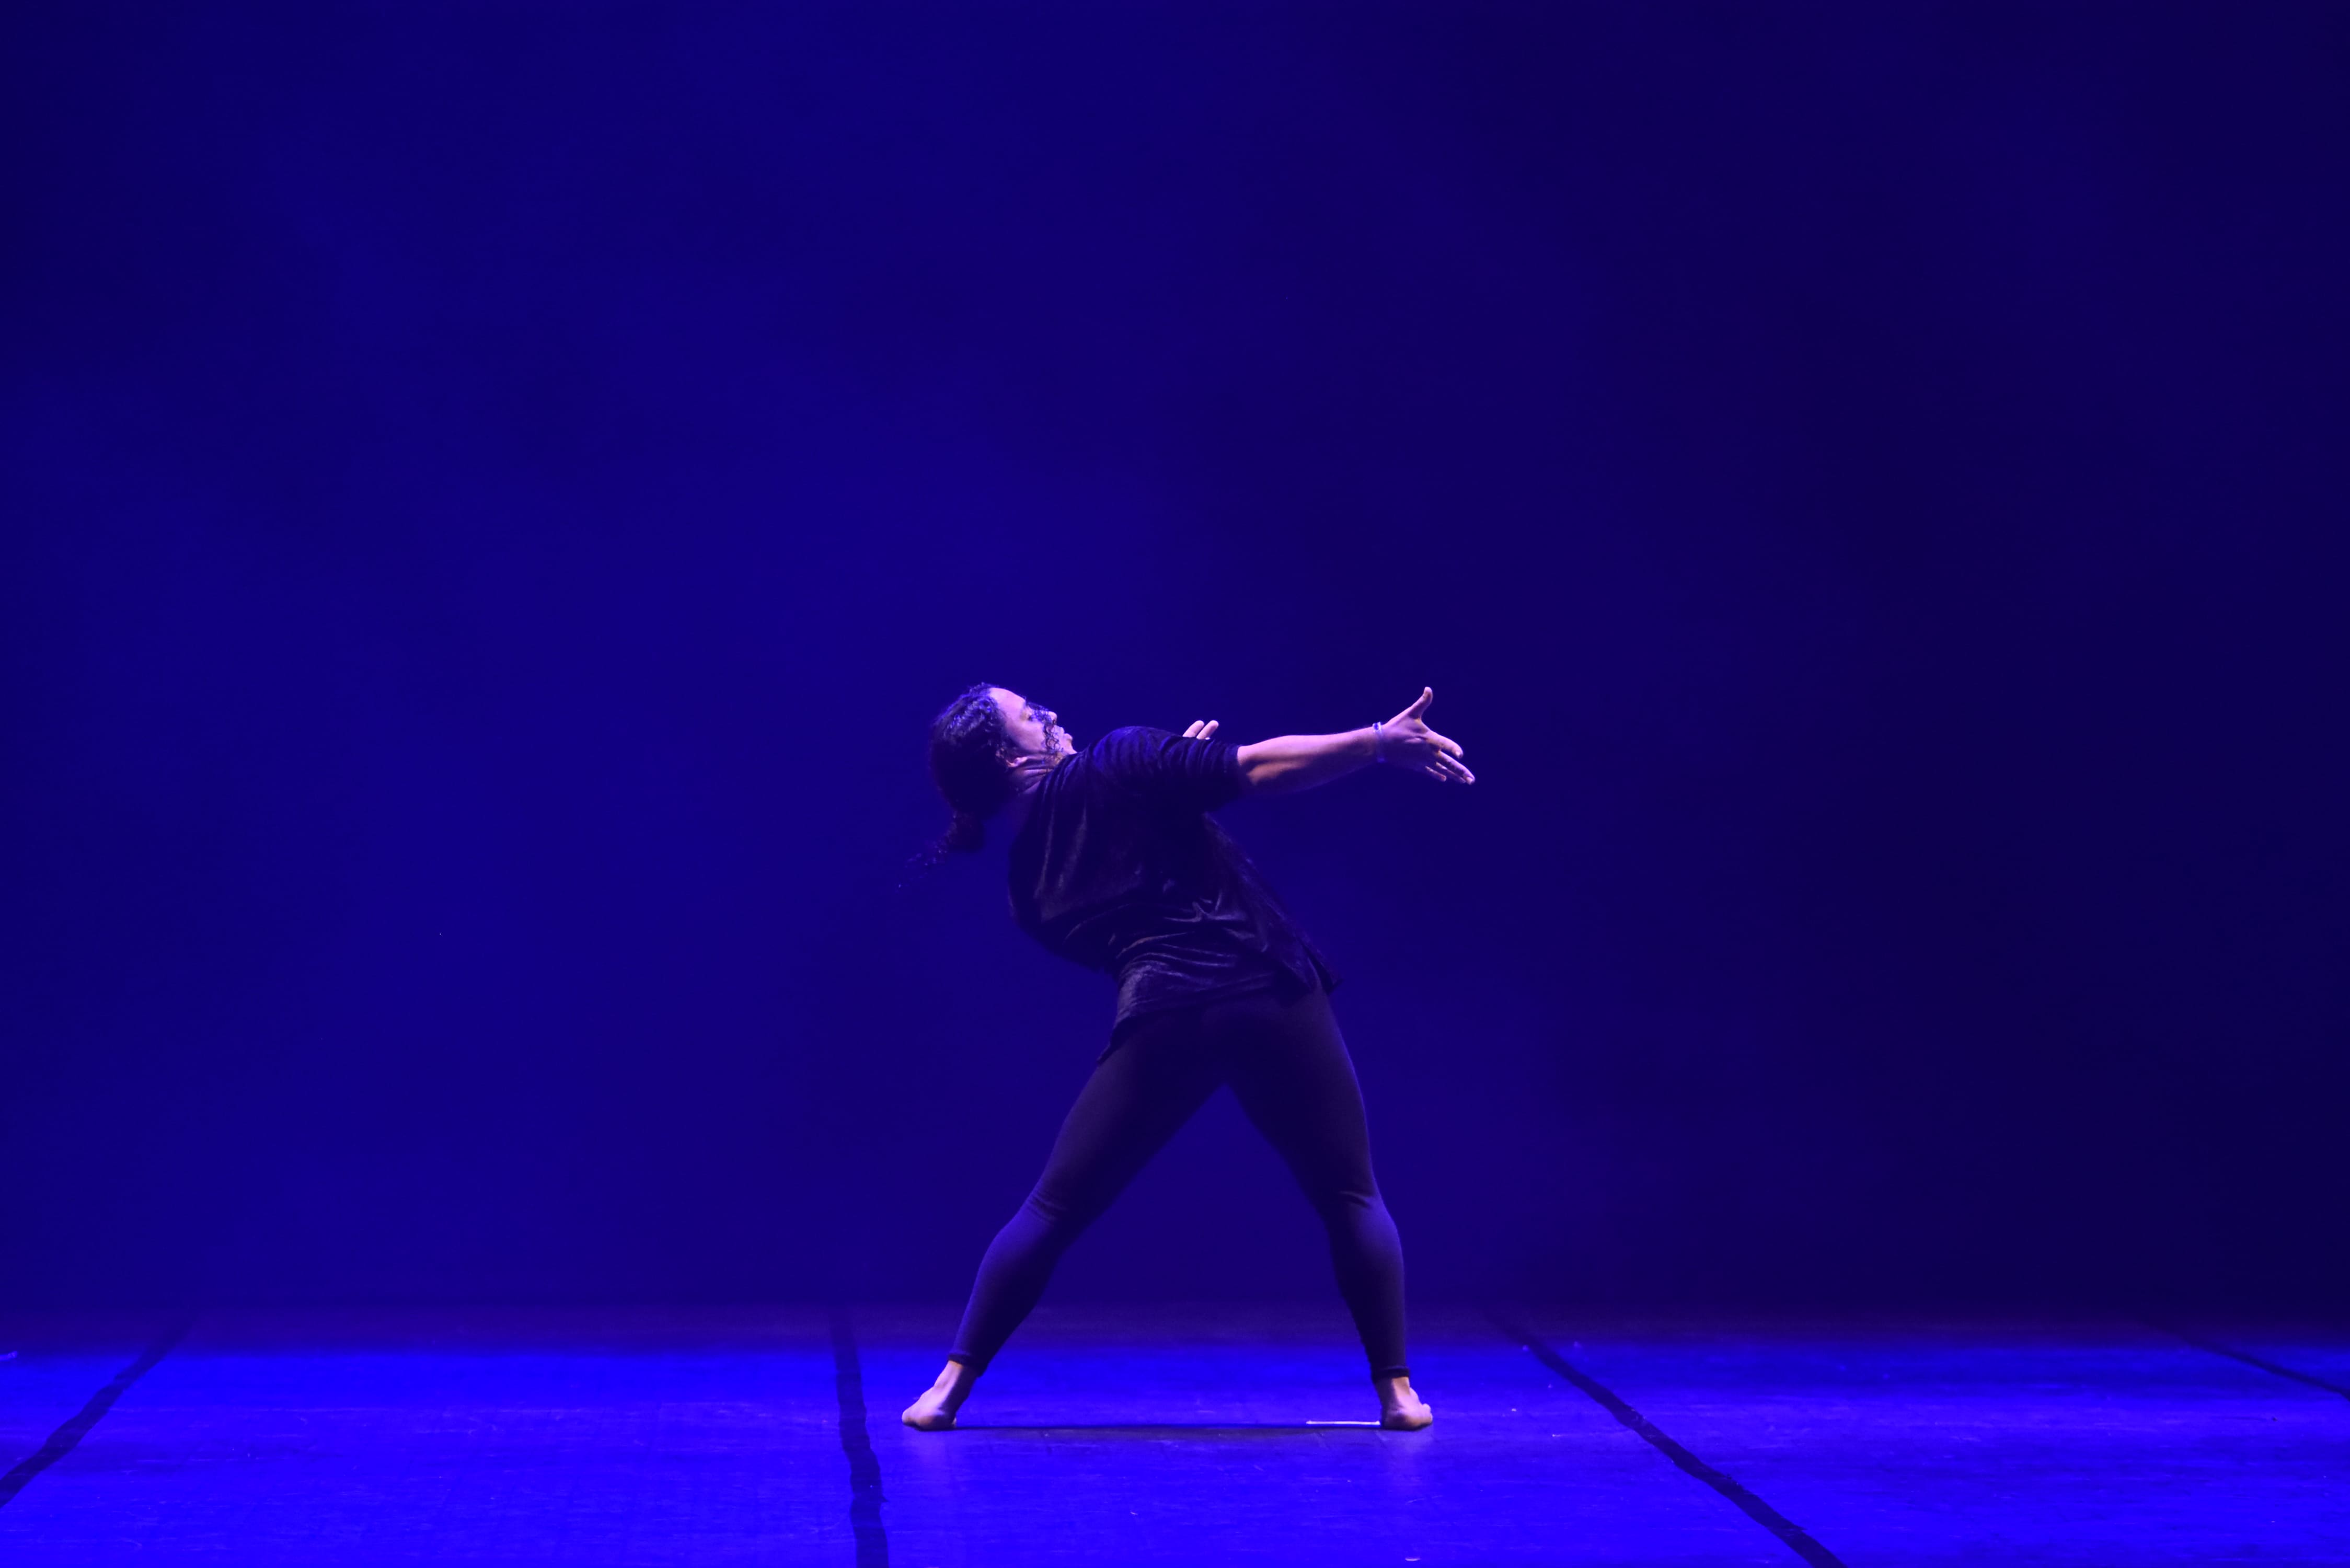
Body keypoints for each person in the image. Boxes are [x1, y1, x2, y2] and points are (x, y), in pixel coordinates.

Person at [902, 684, 1473, 1432]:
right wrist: (1375, 742)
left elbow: (1135, 891)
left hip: (1166, 1018)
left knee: (1054, 1207)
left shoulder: (1027, 891)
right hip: (1266, 990)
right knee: (1349, 1195)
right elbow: (1259, 768)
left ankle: (946, 1391)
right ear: (1012, 758)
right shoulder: (1120, 757)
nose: (1054, 715)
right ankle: (1397, 1397)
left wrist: (1170, 790)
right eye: (1034, 717)